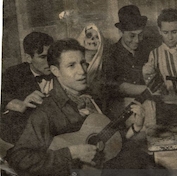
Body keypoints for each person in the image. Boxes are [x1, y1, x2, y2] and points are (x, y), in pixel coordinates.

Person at [6, 39, 148, 176]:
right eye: (71, 65)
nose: (82, 71)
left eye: (83, 63)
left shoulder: (91, 99)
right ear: (55, 71)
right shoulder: (45, 112)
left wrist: (135, 128)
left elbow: (104, 142)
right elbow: (18, 159)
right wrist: (72, 153)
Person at [104, 5, 156, 128]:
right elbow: (113, 86)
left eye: (140, 35)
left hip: (148, 102)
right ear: (121, 32)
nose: (137, 40)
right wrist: (147, 90)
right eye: (132, 36)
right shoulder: (111, 53)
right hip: (121, 107)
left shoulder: (147, 50)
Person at [1, 32, 54, 144]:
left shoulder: (63, 68)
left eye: (51, 55)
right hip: (27, 139)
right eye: (43, 57)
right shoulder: (14, 73)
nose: (50, 62)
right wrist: (20, 104)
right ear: (29, 58)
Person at [77, 23, 111, 112]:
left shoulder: (106, 65)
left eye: (97, 37)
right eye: (89, 36)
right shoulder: (76, 64)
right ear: (82, 39)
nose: (93, 39)